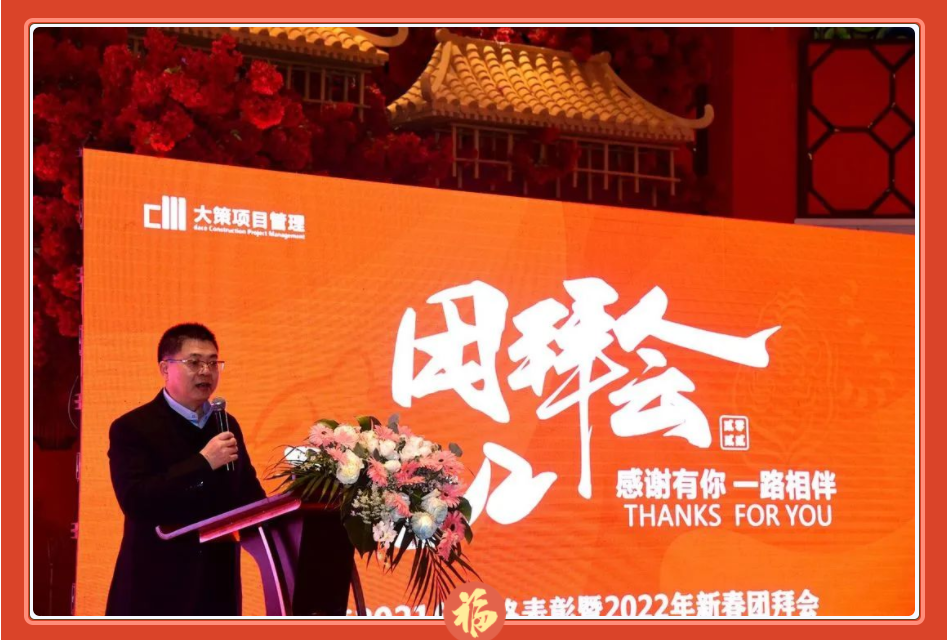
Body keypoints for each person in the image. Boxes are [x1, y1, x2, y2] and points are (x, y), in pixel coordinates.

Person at [105, 323, 266, 616]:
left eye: (213, 363)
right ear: (165, 368)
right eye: (194, 362)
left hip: (217, 584)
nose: (206, 371)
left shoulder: (225, 423)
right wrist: (203, 463)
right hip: (154, 584)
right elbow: (135, 500)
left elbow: (247, 494)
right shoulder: (132, 427)